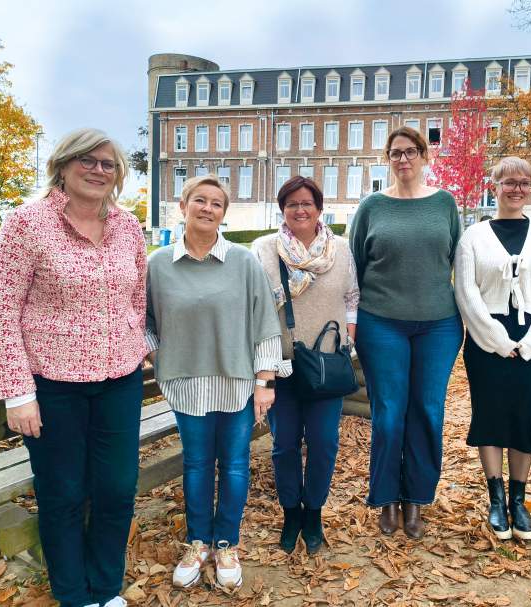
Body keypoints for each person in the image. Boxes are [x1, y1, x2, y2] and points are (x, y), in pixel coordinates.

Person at [0, 128, 145, 607]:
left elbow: (138, 294)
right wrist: (18, 391)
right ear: (64, 165)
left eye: (108, 164)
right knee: (63, 493)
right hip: (53, 387)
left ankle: (106, 588)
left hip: (120, 380)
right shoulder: (26, 224)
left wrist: (137, 341)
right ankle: (74, 595)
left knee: (116, 489)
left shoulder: (128, 226)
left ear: (117, 176)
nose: (98, 170)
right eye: (87, 161)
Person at [145, 176, 284, 589]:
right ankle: (198, 540)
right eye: (199, 200)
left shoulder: (242, 262)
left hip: (237, 381)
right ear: (183, 205)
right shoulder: (158, 264)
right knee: (197, 464)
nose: (207, 208)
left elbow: (265, 323)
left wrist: (265, 380)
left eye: (217, 203)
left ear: (225, 213)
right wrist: (159, 356)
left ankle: (227, 542)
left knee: (236, 464)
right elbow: (144, 322)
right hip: (186, 384)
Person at [348, 126, 463, 539]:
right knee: (389, 414)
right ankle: (386, 498)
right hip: (382, 322)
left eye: (410, 151)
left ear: (424, 155)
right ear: (387, 158)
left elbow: (459, 262)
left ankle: (417, 497)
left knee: (427, 411)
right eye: (395, 152)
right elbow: (353, 268)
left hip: (439, 325)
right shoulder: (372, 207)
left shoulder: (445, 205)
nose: (403, 159)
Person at [454, 157, 531, 541]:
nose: (517, 189)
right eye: (509, 182)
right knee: (490, 415)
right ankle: (496, 498)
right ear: (495, 185)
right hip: (488, 340)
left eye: (525, 182)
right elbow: (466, 292)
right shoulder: (473, 236)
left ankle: (519, 499)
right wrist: (495, 339)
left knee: (526, 416)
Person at [252, 176, 359, 555]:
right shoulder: (264, 249)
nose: (300, 209)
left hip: (326, 364)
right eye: (292, 203)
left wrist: (348, 332)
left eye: (307, 203)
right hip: (280, 364)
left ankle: (313, 511)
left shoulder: (342, 250)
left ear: (319, 208)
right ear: (283, 209)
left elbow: (352, 297)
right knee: (283, 445)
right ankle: (290, 513)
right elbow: (255, 306)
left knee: (324, 443)